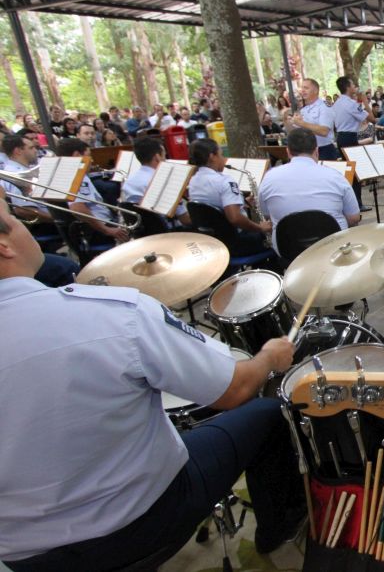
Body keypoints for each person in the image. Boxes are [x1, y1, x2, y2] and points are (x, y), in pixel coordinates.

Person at [0, 189, 306, 570]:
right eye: (16, 218)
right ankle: (278, 528)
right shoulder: (115, 314)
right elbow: (234, 390)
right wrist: (267, 358)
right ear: (4, 245)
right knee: (267, 412)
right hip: (142, 519)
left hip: (23, 557)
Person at [258, 128, 360, 257]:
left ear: (288, 152)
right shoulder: (335, 176)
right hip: (333, 251)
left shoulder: (269, 177)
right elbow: (354, 218)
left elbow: (267, 215)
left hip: (289, 252)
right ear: (316, 151)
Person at [187, 138, 272, 255]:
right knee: (273, 237)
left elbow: (211, 209)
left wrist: (242, 202)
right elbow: (235, 218)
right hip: (235, 242)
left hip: (213, 241)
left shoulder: (193, 180)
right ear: (212, 156)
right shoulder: (225, 181)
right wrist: (260, 228)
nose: (224, 159)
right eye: (221, 155)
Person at [56, 138, 130, 245]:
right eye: (89, 155)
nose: (92, 160)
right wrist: (107, 230)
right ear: (77, 155)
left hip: (92, 230)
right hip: (99, 232)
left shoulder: (61, 174)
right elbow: (77, 208)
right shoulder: (77, 175)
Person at [121, 136, 192, 227]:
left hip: (143, 233)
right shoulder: (165, 182)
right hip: (169, 233)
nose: (165, 159)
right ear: (157, 157)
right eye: (164, 155)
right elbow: (185, 220)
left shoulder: (128, 181)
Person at [330, 76, 375, 209]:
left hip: (341, 137)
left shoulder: (337, 102)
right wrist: (366, 101)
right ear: (348, 87)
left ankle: (352, 203)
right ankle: (357, 204)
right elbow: (372, 119)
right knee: (354, 172)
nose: (355, 87)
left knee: (349, 172)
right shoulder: (350, 104)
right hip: (349, 138)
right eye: (352, 84)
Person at [289, 78, 337, 160]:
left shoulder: (324, 107)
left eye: (306, 88)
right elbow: (294, 130)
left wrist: (301, 123)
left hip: (324, 150)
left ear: (316, 91)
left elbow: (324, 131)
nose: (303, 91)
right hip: (306, 151)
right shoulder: (303, 110)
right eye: (302, 88)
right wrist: (287, 120)